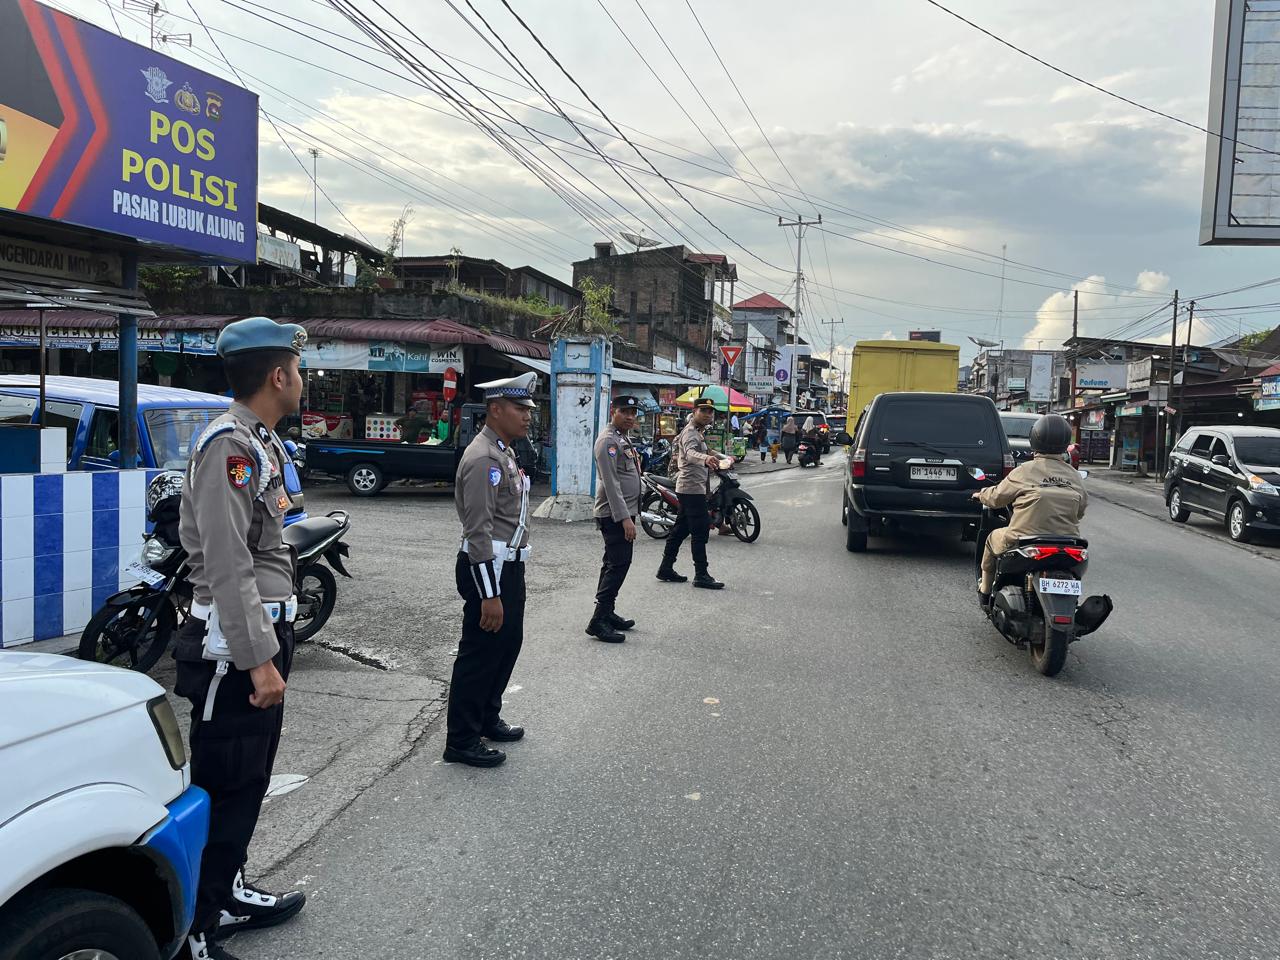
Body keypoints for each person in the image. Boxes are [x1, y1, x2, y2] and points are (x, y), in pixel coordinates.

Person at [173, 317, 308, 960]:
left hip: (261, 634)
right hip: (232, 652)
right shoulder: (228, 446)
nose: (303, 381)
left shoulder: (258, 442)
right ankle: (195, 928)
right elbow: (228, 567)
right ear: (277, 376)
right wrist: (259, 661)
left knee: (249, 779)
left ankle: (226, 891)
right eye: (298, 369)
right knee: (223, 785)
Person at [445, 371, 536, 768]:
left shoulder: (503, 450)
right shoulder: (484, 457)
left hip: (508, 566)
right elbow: (478, 531)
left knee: (506, 646)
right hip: (489, 569)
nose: (528, 416)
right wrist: (490, 594)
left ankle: (486, 716)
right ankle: (462, 739)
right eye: (520, 409)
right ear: (495, 409)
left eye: (528, 409)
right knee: (480, 654)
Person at [973, 414, 1087, 599]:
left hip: (1024, 539)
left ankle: (985, 590)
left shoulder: (1025, 471)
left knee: (991, 538)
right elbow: (1080, 510)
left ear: (1034, 439)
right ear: (1066, 442)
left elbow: (996, 497)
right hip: (1068, 542)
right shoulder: (1074, 475)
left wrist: (980, 495)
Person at [588, 395, 643, 643]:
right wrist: (624, 519)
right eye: (625, 412)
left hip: (623, 512)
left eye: (633, 412)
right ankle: (598, 620)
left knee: (612, 562)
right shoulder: (607, 441)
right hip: (613, 515)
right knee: (619, 564)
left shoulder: (622, 438)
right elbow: (611, 483)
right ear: (614, 411)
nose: (630, 417)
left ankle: (606, 612)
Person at [657, 397, 726, 589]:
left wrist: (723, 457)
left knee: (680, 530)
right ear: (694, 411)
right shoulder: (689, 433)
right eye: (703, 410)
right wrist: (705, 459)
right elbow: (689, 453)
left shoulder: (699, 433)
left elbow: (706, 450)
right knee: (700, 530)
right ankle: (701, 574)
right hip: (690, 489)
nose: (707, 414)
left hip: (693, 489)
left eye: (710, 411)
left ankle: (665, 568)